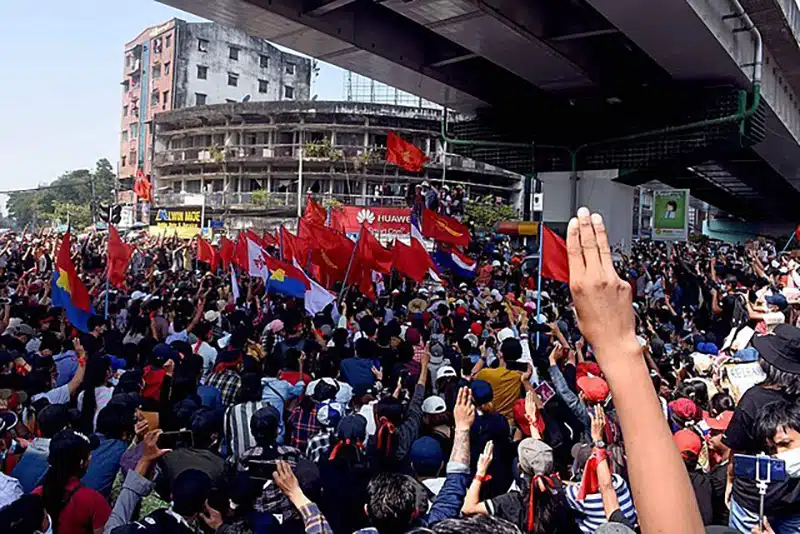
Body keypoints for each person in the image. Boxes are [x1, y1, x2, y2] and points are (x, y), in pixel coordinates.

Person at [33, 428, 112, 534]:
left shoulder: (36, 495)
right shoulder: (94, 501)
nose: (91, 458)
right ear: (81, 463)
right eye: (89, 455)